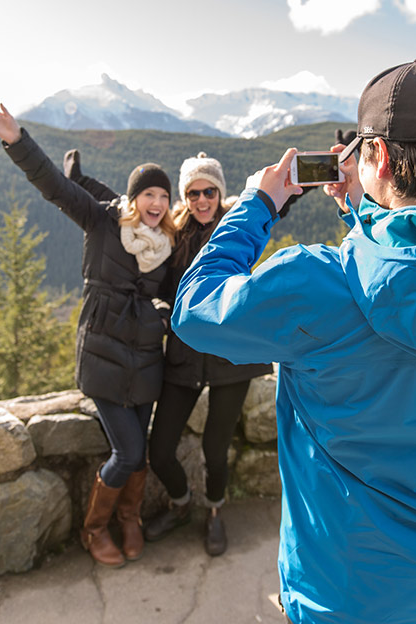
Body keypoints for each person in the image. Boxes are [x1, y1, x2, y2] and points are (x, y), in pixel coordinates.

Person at [170, 60, 416, 623]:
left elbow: (196, 307)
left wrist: (256, 205)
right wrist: (364, 211)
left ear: (377, 155)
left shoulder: (318, 286)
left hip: (342, 592)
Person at [0, 98, 175, 569]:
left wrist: (163, 317)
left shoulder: (168, 244)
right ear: (133, 198)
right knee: (127, 451)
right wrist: (17, 141)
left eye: (164, 197)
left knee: (140, 452)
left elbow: (178, 290)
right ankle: (94, 529)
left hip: (146, 361)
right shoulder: (102, 221)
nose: (156, 203)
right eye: (148, 194)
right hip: (104, 359)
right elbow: (55, 187)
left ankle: (130, 519)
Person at [64, 149, 272, 556]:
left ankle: (214, 511)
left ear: (220, 193)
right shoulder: (173, 235)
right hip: (184, 355)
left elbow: (276, 202)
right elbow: (129, 200)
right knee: (159, 452)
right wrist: (80, 182)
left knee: (215, 450)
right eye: (193, 193)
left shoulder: (237, 226)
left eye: (209, 192)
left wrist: (320, 178)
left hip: (231, 357)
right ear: (184, 197)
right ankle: (180, 504)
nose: (202, 200)